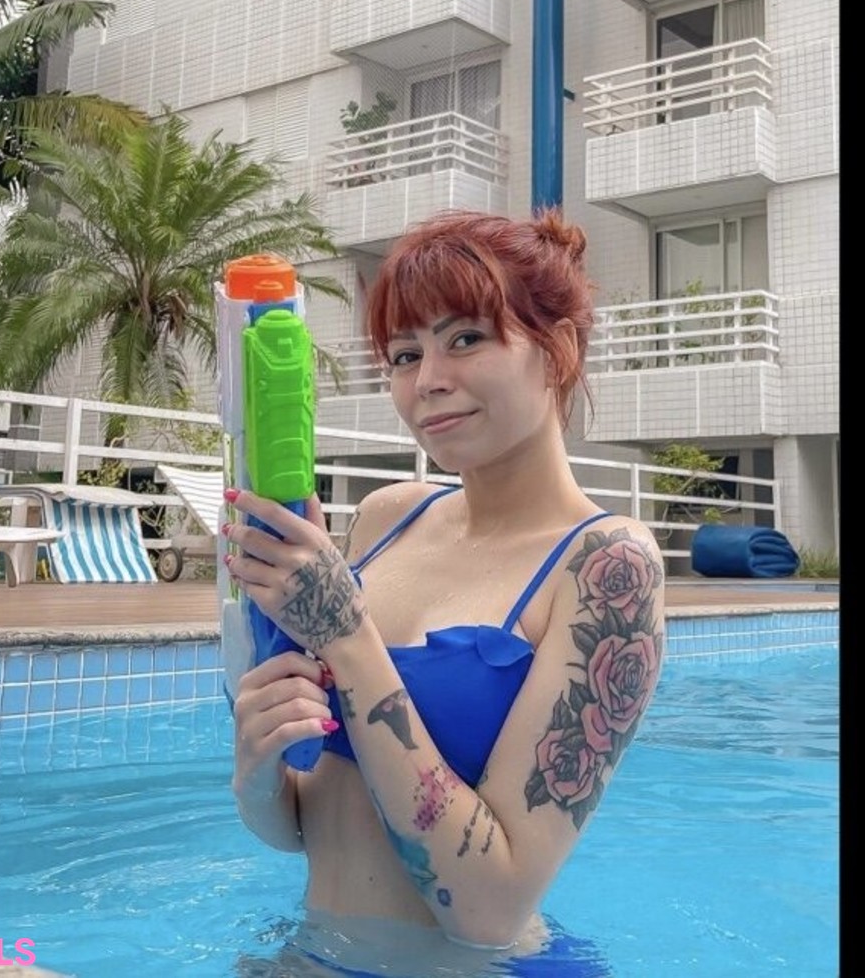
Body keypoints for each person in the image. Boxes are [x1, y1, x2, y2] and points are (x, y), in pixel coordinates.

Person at [224, 208, 665, 973]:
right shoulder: (388, 517)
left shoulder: (606, 567)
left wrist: (346, 635)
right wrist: (258, 774)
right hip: (312, 955)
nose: (428, 380)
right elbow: (306, 825)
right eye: (404, 354)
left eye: (465, 339)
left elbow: (490, 914)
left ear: (557, 349)